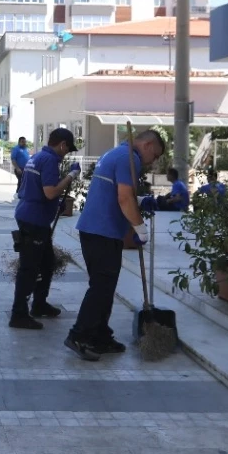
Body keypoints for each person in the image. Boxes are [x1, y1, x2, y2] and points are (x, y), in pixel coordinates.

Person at [66, 129, 165, 361]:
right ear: (148, 145)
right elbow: (123, 198)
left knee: (105, 287)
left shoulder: (115, 154)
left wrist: (141, 200)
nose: (153, 161)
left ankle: (100, 335)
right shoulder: (129, 159)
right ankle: (79, 335)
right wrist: (140, 228)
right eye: (155, 155)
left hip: (95, 230)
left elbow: (116, 193)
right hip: (102, 231)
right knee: (101, 288)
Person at [10, 129, 80, 329]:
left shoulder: (37, 157)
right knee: (29, 268)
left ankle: (39, 304)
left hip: (30, 215)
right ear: (62, 145)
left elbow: (36, 189)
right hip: (34, 220)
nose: (66, 154)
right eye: (67, 150)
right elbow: (50, 192)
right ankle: (19, 314)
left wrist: (54, 204)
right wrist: (71, 176)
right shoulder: (49, 161)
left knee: (47, 263)